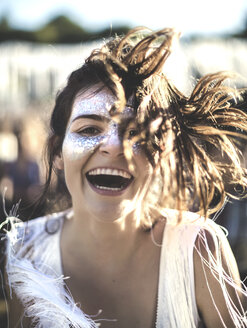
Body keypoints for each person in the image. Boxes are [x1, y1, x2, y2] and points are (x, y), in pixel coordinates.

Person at [2, 27, 247, 328]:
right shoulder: (25, 251)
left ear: (165, 153)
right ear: (57, 153)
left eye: (137, 134)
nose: (114, 147)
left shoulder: (198, 248)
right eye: (89, 129)